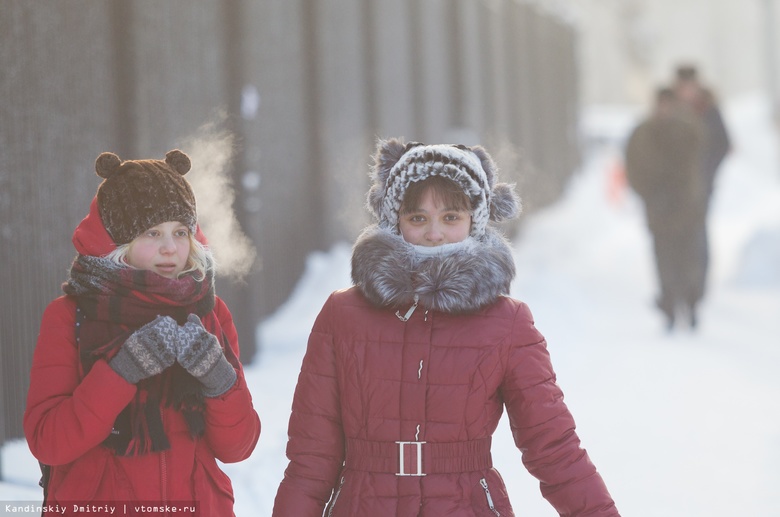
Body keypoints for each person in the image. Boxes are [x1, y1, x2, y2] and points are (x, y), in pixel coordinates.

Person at [272, 139, 619, 516]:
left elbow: (554, 448)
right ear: (395, 221)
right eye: (417, 218)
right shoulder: (344, 315)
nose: (433, 233)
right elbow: (310, 457)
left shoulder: (507, 322)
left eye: (450, 217)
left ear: (475, 221)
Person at [24, 150, 260, 515]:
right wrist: (122, 370)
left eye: (180, 232)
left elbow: (238, 447)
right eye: (152, 232)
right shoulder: (70, 315)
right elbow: (48, 441)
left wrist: (219, 379)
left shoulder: (209, 311)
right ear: (119, 242)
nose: (170, 247)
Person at [624, 87, 707, 329]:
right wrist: (649, 194)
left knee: (687, 257)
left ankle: (690, 303)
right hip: (658, 209)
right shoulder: (642, 133)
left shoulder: (688, 129)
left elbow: (697, 162)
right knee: (663, 257)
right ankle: (669, 304)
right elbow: (634, 169)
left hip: (685, 208)